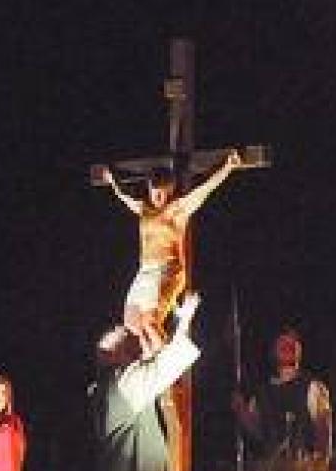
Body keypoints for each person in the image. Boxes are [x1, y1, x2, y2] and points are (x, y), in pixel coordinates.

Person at [100, 149, 243, 356]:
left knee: (150, 320)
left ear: (170, 189)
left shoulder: (178, 209)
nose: (158, 196)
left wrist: (228, 168)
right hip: (145, 270)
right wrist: (112, 180)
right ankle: (148, 358)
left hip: (168, 269)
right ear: (149, 189)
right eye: (154, 191)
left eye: (163, 192)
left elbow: (205, 189)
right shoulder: (144, 209)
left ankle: (164, 364)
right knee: (131, 320)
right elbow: (124, 196)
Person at [95, 293, 202, 471]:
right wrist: (185, 318)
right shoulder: (127, 382)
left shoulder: (112, 383)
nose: (119, 329)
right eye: (116, 335)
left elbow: (155, 359)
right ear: (110, 353)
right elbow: (169, 363)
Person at [232, 324, 335, 465]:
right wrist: (242, 412)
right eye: (283, 343)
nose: (288, 346)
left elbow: (324, 428)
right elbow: (260, 433)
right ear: (273, 350)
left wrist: (320, 465)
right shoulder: (261, 393)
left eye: (293, 343)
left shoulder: (313, 387)